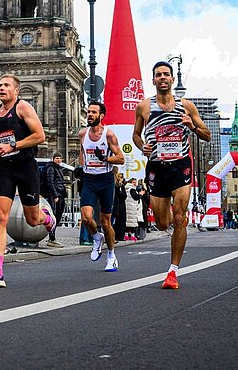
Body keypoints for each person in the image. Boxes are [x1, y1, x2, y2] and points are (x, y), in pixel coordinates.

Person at [133, 61, 210, 290]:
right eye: (159, 75)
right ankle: (167, 214)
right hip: (157, 167)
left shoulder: (186, 106)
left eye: (166, 74)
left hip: (181, 166)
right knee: (162, 223)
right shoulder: (144, 107)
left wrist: (192, 127)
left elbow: (206, 135)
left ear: (172, 80)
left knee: (179, 218)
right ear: (154, 80)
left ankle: (173, 271)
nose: (163, 78)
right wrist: (142, 146)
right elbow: (136, 135)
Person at [0, 74, 55, 288]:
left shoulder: (23, 108)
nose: (2, 88)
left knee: (32, 219)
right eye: (0, 85)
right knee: (0, 216)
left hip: (26, 166)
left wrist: (13, 146)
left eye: (7, 86)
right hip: (6, 168)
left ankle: (47, 218)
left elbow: (40, 135)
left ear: (16, 91)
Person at [76, 101, 125, 272]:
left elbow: (121, 158)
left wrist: (105, 159)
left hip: (105, 180)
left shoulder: (109, 135)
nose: (89, 115)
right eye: (88, 112)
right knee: (87, 217)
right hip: (89, 179)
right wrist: (80, 168)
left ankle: (111, 255)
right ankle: (97, 238)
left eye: (93, 112)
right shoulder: (83, 133)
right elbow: (82, 152)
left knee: (105, 221)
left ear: (101, 116)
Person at [43, 152, 67, 248]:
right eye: (57, 158)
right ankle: (51, 238)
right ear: (53, 159)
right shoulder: (51, 168)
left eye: (60, 158)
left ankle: (52, 237)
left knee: (58, 217)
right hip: (55, 196)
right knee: (54, 217)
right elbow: (50, 183)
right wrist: (55, 195)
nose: (59, 160)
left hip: (60, 195)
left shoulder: (57, 168)